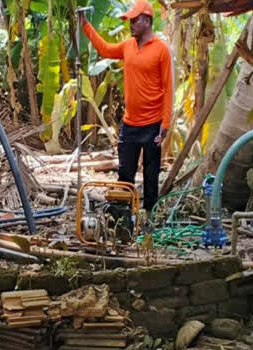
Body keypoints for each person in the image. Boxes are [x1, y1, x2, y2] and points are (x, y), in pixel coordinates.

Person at [79, 0, 172, 211]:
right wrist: (85, 25)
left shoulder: (161, 50)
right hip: (130, 124)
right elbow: (104, 49)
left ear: (147, 21)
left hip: (153, 125)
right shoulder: (127, 46)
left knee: (151, 175)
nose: (130, 24)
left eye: (134, 19)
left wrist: (165, 124)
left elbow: (168, 89)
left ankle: (149, 217)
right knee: (125, 174)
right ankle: (122, 219)